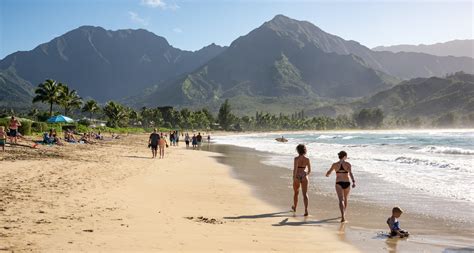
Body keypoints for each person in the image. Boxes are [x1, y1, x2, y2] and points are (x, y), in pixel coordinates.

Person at [326, 151, 356, 223]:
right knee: (345, 198)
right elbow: (351, 173)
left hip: (338, 183)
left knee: (341, 200)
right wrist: (353, 181)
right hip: (347, 183)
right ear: (345, 156)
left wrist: (327, 174)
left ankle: (342, 216)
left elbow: (328, 173)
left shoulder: (335, 165)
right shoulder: (348, 164)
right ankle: (344, 214)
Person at [291, 144, 311, 216]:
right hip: (304, 176)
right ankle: (306, 210)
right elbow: (309, 171)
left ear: (298, 150)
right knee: (305, 194)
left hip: (297, 176)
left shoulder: (296, 159)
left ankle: (295, 207)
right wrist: (305, 174)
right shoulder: (307, 159)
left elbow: (295, 169)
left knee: (296, 193)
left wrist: (294, 178)